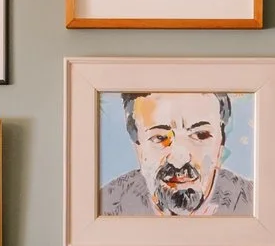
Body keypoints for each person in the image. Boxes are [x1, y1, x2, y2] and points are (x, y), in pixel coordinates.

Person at [100, 90, 253, 216]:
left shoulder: (253, 204)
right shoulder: (107, 207)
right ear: (138, 148)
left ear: (220, 146)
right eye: (160, 138)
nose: (179, 159)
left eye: (200, 135)